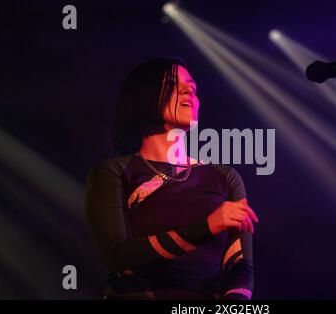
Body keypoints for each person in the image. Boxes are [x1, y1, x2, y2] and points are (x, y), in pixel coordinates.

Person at [84, 57, 258, 300]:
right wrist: (206, 226)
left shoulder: (225, 177)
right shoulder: (112, 172)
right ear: (143, 95)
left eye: (193, 87)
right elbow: (116, 255)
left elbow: (239, 266)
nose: (190, 90)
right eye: (173, 83)